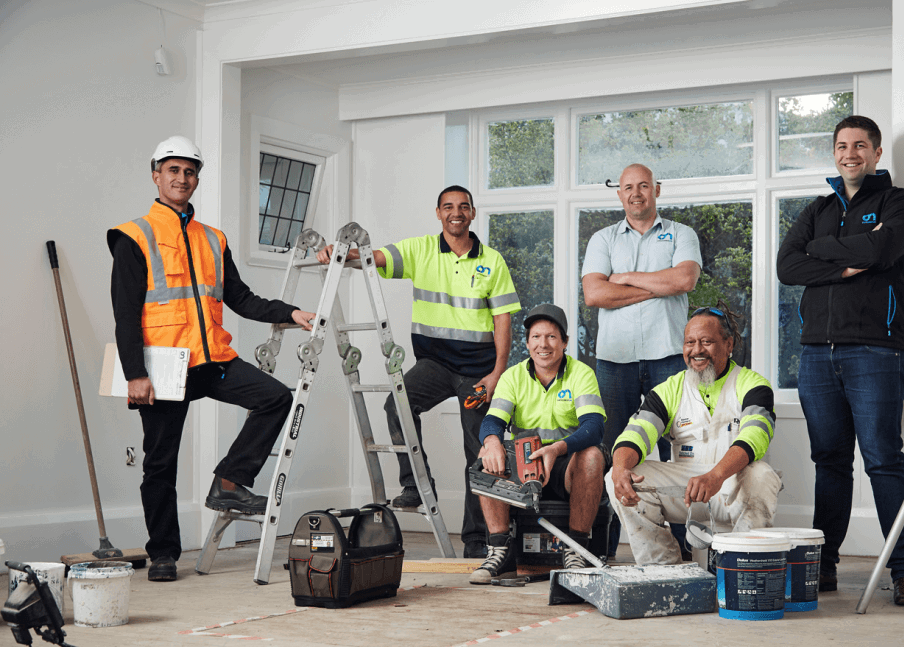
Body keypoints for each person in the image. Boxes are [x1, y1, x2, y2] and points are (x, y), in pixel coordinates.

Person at [109, 135, 315, 582]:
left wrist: (289, 312)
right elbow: (125, 313)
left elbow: (240, 298)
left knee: (276, 398)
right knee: (160, 463)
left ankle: (229, 481)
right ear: (156, 176)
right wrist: (135, 375)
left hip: (212, 360)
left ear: (196, 179)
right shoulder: (134, 236)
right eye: (173, 170)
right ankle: (164, 553)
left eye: (189, 171)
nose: (182, 178)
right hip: (162, 365)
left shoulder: (212, 238)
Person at [317, 186, 520, 558]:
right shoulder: (420, 250)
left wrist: (498, 373)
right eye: (448, 207)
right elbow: (371, 257)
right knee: (397, 405)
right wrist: (338, 253)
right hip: (435, 365)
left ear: (473, 214)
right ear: (438, 213)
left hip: (478, 372)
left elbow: (503, 318)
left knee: (478, 452)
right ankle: (413, 484)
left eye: (462, 207)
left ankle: (477, 542)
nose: (455, 213)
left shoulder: (492, 260)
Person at [775, 115, 904, 606]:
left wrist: (822, 256)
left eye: (861, 145)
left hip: (876, 350)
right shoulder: (817, 208)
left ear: (877, 153)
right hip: (818, 352)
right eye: (842, 146)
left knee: (883, 459)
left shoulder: (900, 203)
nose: (851, 153)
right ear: (834, 153)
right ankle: (826, 566)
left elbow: (883, 247)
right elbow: (787, 264)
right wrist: (842, 261)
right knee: (830, 462)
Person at [581, 163, 702, 556]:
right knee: (608, 450)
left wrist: (626, 277)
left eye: (644, 186)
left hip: (668, 356)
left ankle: (684, 547)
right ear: (619, 194)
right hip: (615, 361)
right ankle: (602, 547)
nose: (636, 193)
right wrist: (656, 285)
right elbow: (595, 294)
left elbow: (684, 281)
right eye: (628, 187)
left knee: (680, 448)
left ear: (657, 190)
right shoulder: (602, 238)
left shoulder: (682, 234)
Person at [607, 306, 782, 565]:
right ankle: (663, 571)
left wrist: (715, 476)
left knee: (763, 475)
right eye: (690, 342)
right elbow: (637, 432)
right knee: (616, 478)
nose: (697, 350)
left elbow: (756, 437)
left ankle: (743, 567)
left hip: (732, 485)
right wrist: (620, 467)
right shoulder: (671, 389)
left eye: (707, 342)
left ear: (728, 344)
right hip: (687, 492)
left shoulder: (752, 384)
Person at [469, 304, 608, 584]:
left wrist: (557, 449)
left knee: (592, 455)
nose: (543, 344)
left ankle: (575, 549)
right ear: (527, 342)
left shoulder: (581, 374)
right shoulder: (513, 376)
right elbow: (492, 421)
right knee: (487, 452)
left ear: (565, 342)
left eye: (552, 337)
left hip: (567, 461)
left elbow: (594, 427)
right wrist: (493, 440)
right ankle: (500, 551)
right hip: (526, 463)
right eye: (536, 337)